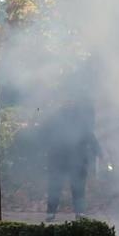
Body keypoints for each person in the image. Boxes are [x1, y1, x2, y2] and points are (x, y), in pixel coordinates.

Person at [44, 91, 100, 222]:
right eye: (66, 100)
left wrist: (99, 151)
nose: (68, 102)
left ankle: (80, 213)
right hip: (58, 159)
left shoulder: (80, 118)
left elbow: (89, 135)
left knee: (78, 187)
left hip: (78, 159)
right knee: (55, 186)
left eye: (70, 100)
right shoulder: (54, 118)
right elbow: (46, 135)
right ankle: (50, 213)